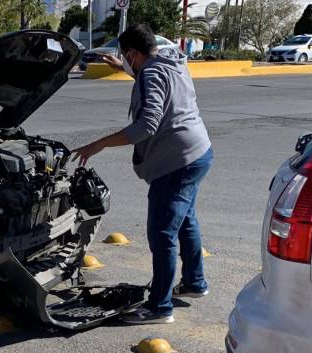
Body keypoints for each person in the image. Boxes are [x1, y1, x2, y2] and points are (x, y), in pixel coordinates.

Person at [74, 24, 213, 325]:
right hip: (199, 152)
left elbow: (146, 126)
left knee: (162, 234)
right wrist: (126, 69)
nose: (127, 61)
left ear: (134, 53)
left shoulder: (149, 73)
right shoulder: (172, 62)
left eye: (126, 57)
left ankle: (160, 308)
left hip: (175, 162)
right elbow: (155, 80)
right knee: (186, 220)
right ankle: (194, 283)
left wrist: (99, 144)